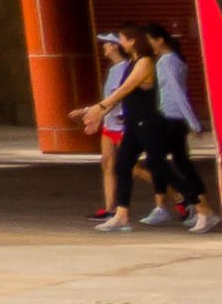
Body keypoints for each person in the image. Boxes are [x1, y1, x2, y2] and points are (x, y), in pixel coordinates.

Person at [86, 29, 168, 230]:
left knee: (143, 167)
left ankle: (187, 199)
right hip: (120, 124)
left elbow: (121, 93)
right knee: (115, 166)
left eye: (111, 42)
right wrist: (97, 112)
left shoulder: (140, 64)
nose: (105, 46)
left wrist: (97, 109)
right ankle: (116, 212)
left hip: (134, 123)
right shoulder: (124, 66)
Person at [154, 28, 213, 232]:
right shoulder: (177, 61)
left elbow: (178, 93)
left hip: (171, 119)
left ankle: (200, 208)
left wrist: (193, 122)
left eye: (149, 41)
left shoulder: (166, 61)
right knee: (183, 165)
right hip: (175, 119)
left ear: (160, 41)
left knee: (160, 164)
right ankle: (201, 210)